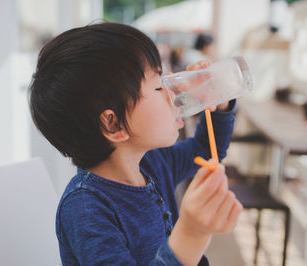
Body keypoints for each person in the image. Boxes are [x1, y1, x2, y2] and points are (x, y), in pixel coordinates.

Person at [29, 22, 242, 265]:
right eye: (159, 86)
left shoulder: (153, 162)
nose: (174, 92)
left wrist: (217, 98)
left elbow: (204, 150)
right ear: (114, 125)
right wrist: (190, 236)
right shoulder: (85, 208)